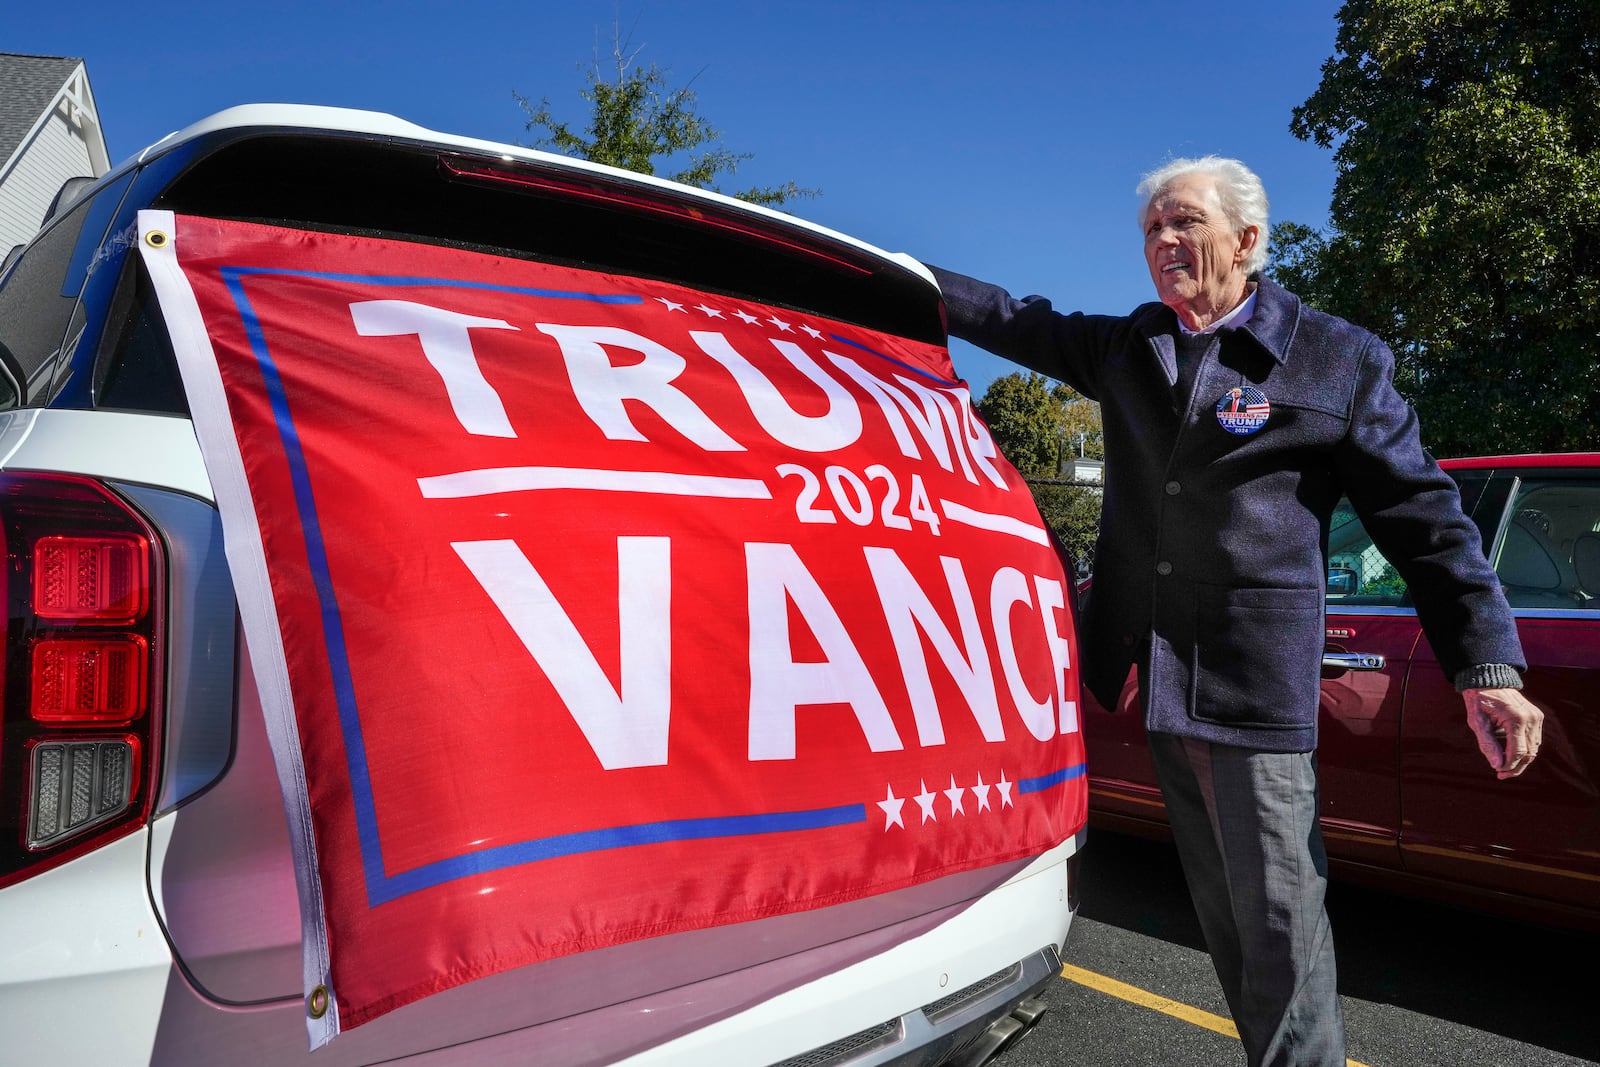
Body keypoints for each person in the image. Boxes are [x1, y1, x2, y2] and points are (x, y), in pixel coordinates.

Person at [930, 156, 1544, 1067]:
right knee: (1231, 935)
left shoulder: (1336, 359)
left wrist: (1486, 665)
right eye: (1150, 230)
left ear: (1247, 240)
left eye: (1183, 223)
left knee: (1281, 940)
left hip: (1254, 691)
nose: (1162, 243)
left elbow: (1428, 525)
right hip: (1162, 684)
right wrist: (890, 274)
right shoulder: (1132, 346)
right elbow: (1016, 319)